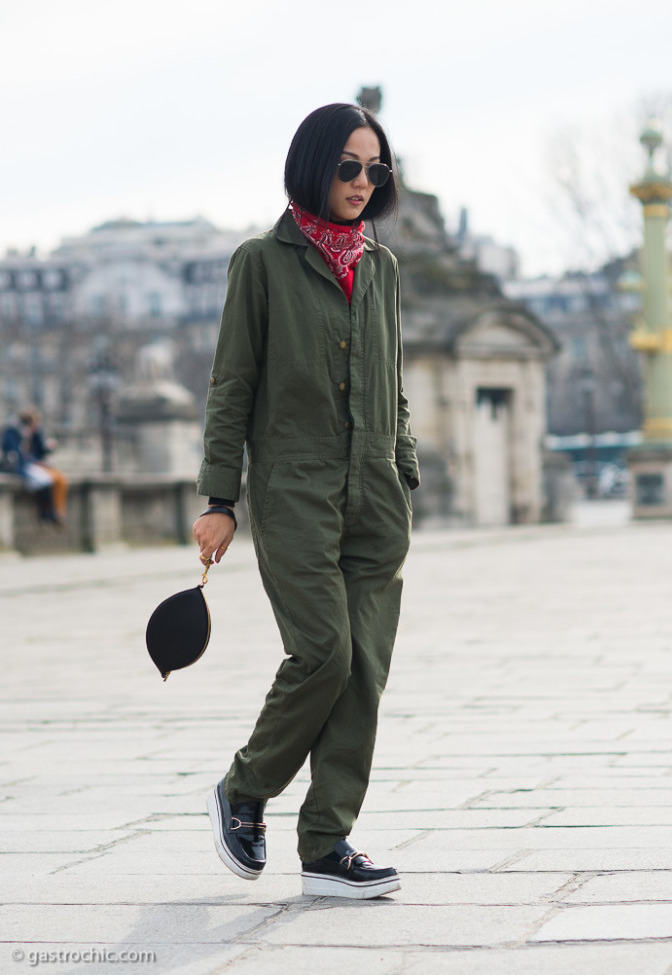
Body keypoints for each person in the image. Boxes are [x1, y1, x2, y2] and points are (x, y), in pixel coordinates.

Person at [193, 103, 419, 900]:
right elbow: (232, 387)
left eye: (374, 170)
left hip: (376, 498)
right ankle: (244, 789)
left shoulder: (381, 268)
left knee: (363, 674)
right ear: (314, 164)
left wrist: (403, 466)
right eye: (348, 166)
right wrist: (220, 495)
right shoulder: (260, 262)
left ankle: (327, 844)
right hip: (293, 492)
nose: (361, 182)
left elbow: (392, 384)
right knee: (323, 654)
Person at [0, 407, 68, 523]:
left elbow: (34, 451)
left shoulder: (26, 432)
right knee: (44, 479)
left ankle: (52, 513)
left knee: (52, 479)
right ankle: (47, 513)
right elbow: (16, 454)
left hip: (27, 464)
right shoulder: (13, 432)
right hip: (18, 467)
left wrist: (46, 448)